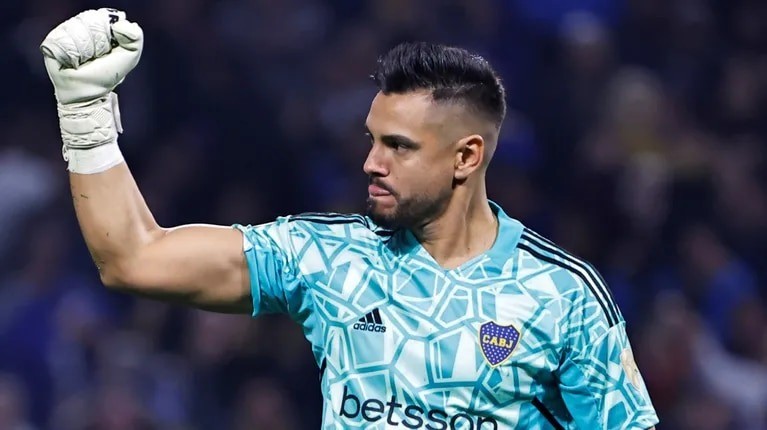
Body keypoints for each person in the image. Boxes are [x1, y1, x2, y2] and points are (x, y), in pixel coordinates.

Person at [40, 9, 659, 429]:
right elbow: (134, 258)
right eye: (372, 140)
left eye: (399, 146)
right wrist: (85, 112)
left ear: (467, 157)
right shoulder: (326, 258)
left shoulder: (562, 295)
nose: (370, 162)